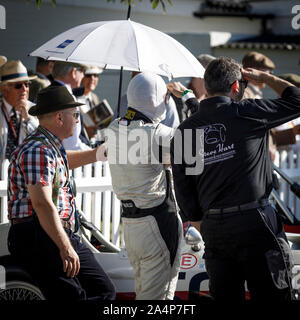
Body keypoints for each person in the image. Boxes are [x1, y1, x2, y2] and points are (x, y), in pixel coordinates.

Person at [167, 57, 300, 301]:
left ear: (206, 87)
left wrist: (201, 224)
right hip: (256, 223)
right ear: (236, 87)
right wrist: (267, 78)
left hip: (216, 228)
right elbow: (297, 101)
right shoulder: (247, 113)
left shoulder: (186, 129)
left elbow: (184, 189)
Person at [7, 85, 115, 300]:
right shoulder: (38, 150)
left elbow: (61, 160)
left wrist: (98, 153)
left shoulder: (48, 147)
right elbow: (42, 204)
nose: (77, 120)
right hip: (38, 233)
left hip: (51, 231)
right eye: (74, 115)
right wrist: (65, 247)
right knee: (73, 296)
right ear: (59, 117)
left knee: (103, 290)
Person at [105, 72, 182, 300]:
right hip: (157, 223)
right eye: (166, 98)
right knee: (159, 300)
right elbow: (198, 145)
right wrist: (187, 97)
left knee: (144, 294)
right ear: (156, 99)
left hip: (131, 224)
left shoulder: (113, 128)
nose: (167, 103)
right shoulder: (156, 134)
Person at [0, 60, 38, 165]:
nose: (24, 89)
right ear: (4, 89)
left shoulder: (36, 110)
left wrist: (28, 119)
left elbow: (43, 141)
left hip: (26, 173)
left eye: (27, 84)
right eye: (18, 85)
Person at [51, 61, 91, 150]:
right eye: (82, 71)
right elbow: (72, 145)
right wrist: (95, 153)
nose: (83, 75)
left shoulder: (43, 93)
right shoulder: (69, 99)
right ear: (73, 72)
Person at [75, 65, 103, 141]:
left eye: (96, 75)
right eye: (88, 75)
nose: (92, 79)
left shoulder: (94, 97)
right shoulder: (74, 98)